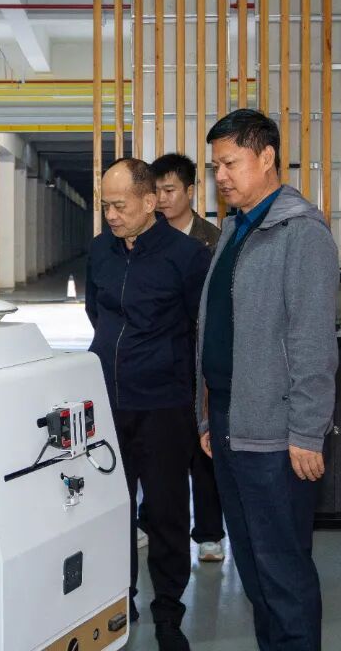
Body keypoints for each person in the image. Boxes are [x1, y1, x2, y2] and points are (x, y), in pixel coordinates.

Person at [197, 109, 339, 651]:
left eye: (230, 163)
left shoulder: (301, 233)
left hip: (276, 433)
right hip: (230, 420)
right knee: (255, 570)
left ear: (267, 157)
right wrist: (207, 414)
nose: (221, 176)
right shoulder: (236, 229)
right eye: (215, 166)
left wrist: (307, 431)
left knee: (283, 569)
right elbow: (217, 327)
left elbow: (313, 341)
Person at [85, 157, 211, 651]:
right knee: (113, 508)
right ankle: (122, 597)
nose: (111, 216)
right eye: (106, 206)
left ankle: (169, 611)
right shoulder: (100, 251)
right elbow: (96, 313)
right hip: (108, 403)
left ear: (150, 201)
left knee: (165, 513)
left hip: (164, 406)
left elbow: (199, 330)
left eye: (120, 206)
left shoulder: (187, 257)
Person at [147, 152, 227, 565]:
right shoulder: (148, 238)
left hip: (200, 358)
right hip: (160, 359)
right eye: (156, 191)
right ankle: (151, 523)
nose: (162, 199)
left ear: (191, 191)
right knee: (159, 450)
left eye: (170, 190)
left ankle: (210, 533)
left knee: (204, 448)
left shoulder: (212, 240)